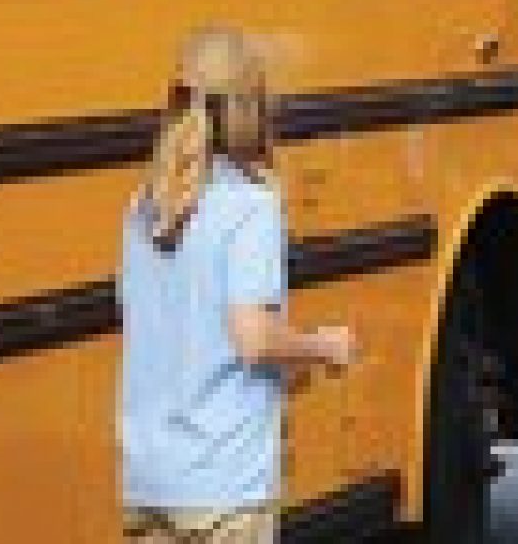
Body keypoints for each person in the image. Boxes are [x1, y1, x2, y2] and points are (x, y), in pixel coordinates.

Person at [118, 27, 355, 543]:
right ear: (251, 111)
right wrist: (322, 347)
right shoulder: (249, 207)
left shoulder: (145, 207)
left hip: (150, 480)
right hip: (223, 485)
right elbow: (253, 338)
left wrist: (285, 365)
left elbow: (167, 334)